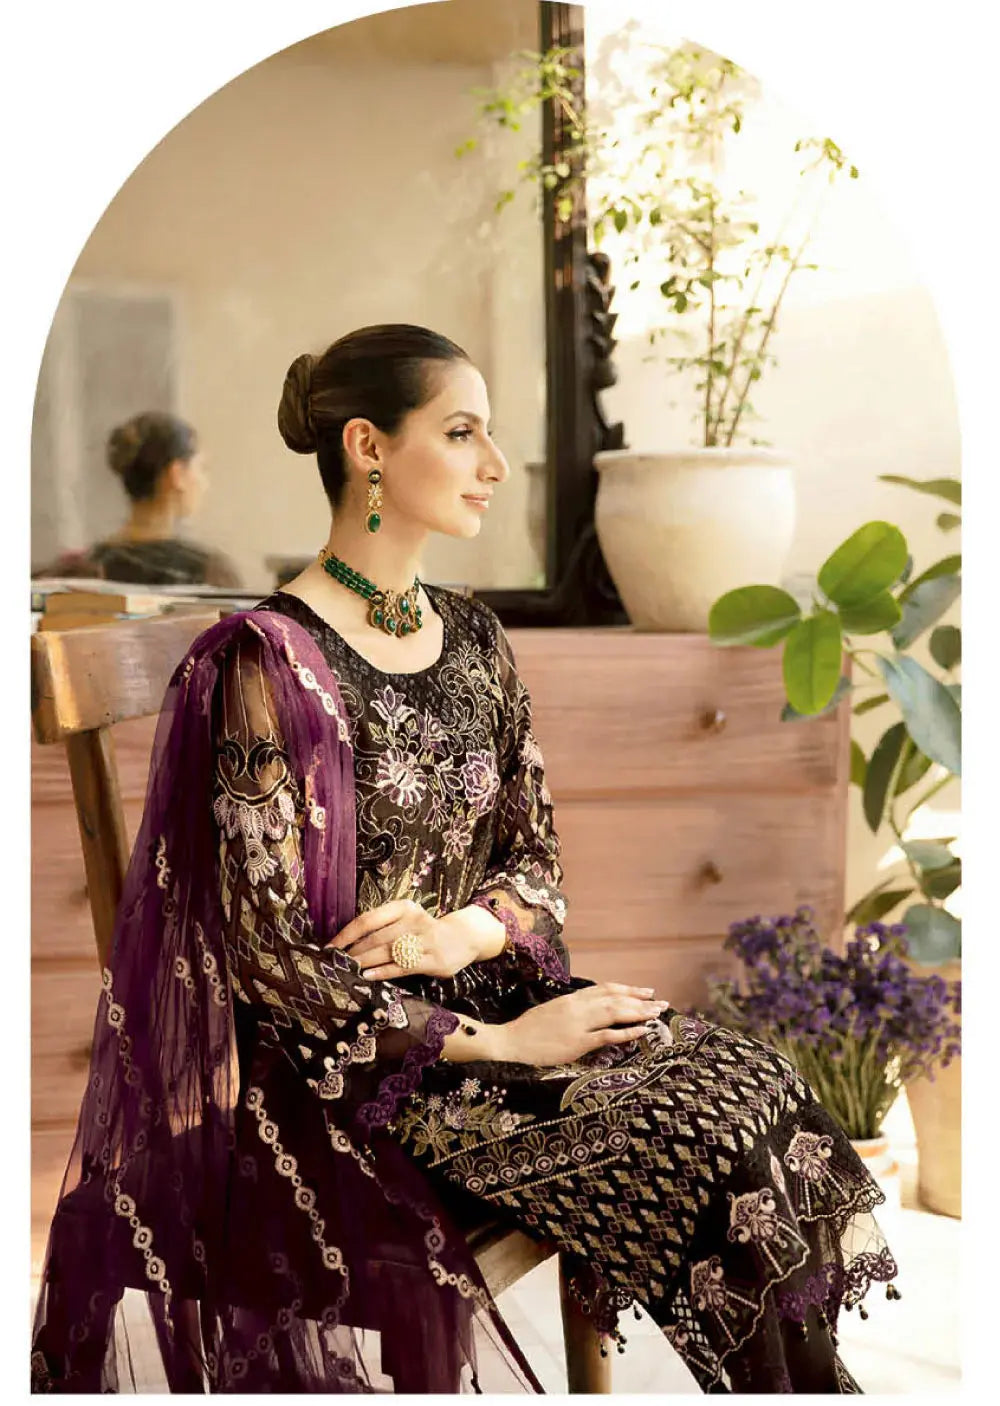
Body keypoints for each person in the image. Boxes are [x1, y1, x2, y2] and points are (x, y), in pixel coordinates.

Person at [30, 325, 899, 1394]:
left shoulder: (474, 636)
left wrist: (457, 935)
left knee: (750, 1088)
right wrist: (502, 1042)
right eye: (461, 433)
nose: (494, 464)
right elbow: (267, 961)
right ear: (368, 447)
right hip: (351, 1069)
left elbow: (538, 865)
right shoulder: (265, 665)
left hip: (489, 994)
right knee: (693, 1144)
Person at [34, 410, 241, 587]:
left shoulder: (79, 570)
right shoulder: (209, 574)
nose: (205, 483)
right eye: (201, 468)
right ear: (177, 473)